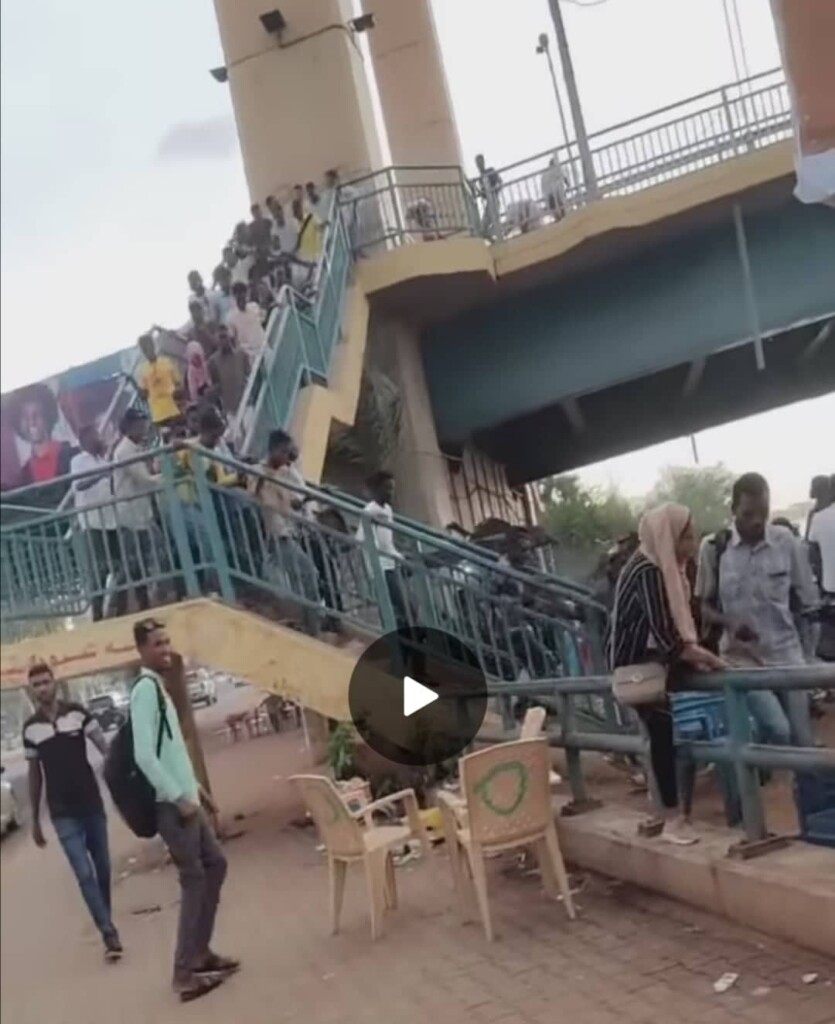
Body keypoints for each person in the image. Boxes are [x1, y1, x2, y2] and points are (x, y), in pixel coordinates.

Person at [131, 619, 236, 1001]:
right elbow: (144, 755)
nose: (165, 650)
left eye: (167, 642)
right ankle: (183, 972)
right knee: (194, 880)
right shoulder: (144, 691)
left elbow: (171, 750)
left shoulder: (158, 687)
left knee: (216, 865)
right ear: (142, 649)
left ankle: (200, 952)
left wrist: (197, 790)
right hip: (173, 808)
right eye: (157, 644)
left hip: (187, 800)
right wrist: (178, 797)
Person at [610, 504, 725, 844]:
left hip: (653, 662)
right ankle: (673, 820)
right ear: (668, 537)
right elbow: (666, 635)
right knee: (662, 735)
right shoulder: (648, 571)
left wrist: (696, 656)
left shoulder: (662, 568)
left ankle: (666, 813)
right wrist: (709, 659)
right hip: (638, 666)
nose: (692, 544)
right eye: (686, 537)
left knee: (662, 735)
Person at [696, 473, 819, 746]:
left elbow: (808, 602)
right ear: (733, 510)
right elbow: (703, 606)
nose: (757, 521)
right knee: (778, 729)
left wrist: (808, 656)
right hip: (741, 661)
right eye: (748, 514)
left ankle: (753, 759)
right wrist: (729, 622)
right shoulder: (714, 548)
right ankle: (749, 759)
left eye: (763, 513)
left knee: (802, 741)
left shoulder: (785, 542)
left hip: (787, 656)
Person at [23, 662, 122, 961]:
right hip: (62, 813)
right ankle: (108, 933)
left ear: (55, 683)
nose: (43, 688)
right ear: (31, 690)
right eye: (37, 684)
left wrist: (121, 781)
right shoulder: (31, 729)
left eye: (46, 682)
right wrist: (34, 821)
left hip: (91, 804)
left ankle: (104, 915)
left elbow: (104, 748)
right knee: (83, 873)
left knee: (103, 869)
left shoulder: (78, 714)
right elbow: (35, 774)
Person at [251, 429, 321, 636]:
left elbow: (292, 503)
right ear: (272, 450)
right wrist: (265, 477)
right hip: (274, 534)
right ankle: (309, 625)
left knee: (303, 576)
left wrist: (308, 498)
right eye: (283, 452)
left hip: (288, 531)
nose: (286, 457)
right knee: (308, 573)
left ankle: (308, 623)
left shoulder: (283, 473)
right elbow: (254, 497)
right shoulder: (258, 471)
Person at [112, 408, 161, 612]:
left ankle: (142, 602)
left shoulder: (136, 448)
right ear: (131, 426)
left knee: (140, 561)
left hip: (140, 512)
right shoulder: (125, 451)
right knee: (132, 564)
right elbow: (145, 479)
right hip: (130, 515)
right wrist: (170, 476)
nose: (144, 430)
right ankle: (119, 606)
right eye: (141, 426)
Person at [71, 425, 120, 621]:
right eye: (95, 436)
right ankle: (98, 614)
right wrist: (99, 475)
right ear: (85, 441)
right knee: (100, 570)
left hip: (111, 519)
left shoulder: (102, 459)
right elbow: (79, 485)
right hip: (92, 521)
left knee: (120, 565)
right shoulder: (78, 461)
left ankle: (116, 606)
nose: (99, 438)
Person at [355, 471, 410, 628]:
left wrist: (398, 556)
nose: (390, 492)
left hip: (390, 564)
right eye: (387, 488)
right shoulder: (369, 511)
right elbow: (361, 538)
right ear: (377, 489)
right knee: (401, 606)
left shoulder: (388, 510)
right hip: (378, 567)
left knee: (402, 606)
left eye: (392, 488)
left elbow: (387, 541)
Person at [11, 382, 77, 490]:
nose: (31, 422)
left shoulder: (74, 456)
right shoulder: (23, 477)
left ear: (48, 416)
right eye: (25, 417)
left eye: (36, 414)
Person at [136, 333, 182, 429]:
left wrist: (177, 395)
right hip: (158, 414)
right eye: (144, 348)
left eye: (148, 346)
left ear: (153, 345)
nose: (147, 350)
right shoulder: (143, 370)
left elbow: (178, 383)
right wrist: (142, 391)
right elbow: (143, 393)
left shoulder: (166, 362)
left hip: (173, 408)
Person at [208, 324, 250, 418]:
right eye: (220, 337)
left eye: (224, 336)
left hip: (246, 404)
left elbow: (249, 375)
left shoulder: (241, 354)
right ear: (217, 340)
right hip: (230, 410)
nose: (223, 340)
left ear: (229, 336)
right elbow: (216, 385)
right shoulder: (213, 362)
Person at [225, 282, 266, 362]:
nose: (241, 298)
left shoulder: (254, 306)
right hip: (249, 356)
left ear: (246, 294)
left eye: (243, 294)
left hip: (263, 348)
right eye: (238, 296)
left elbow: (264, 320)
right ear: (234, 297)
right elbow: (232, 340)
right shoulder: (230, 317)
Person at [474, 153, 503, 238]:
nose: (479, 165)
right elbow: (483, 194)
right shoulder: (480, 178)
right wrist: (477, 190)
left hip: (494, 199)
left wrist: (495, 188)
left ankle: (498, 236)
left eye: (480, 162)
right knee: (483, 227)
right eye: (478, 163)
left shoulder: (490, 171)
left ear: (483, 162)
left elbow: (499, 182)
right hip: (489, 203)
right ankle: (493, 238)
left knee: (494, 222)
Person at [540, 154, 568, 219]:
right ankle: (562, 216)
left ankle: (557, 217)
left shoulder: (545, 174)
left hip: (548, 194)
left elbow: (542, 186)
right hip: (556, 191)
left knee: (553, 207)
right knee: (560, 204)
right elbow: (564, 177)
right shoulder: (557, 169)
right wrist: (567, 184)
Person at [185, 340, 211, 405]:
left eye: (198, 357)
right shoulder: (191, 371)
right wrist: (195, 399)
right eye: (195, 358)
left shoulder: (204, 365)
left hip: (209, 390)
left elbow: (208, 377)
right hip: (200, 393)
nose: (197, 360)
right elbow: (192, 386)